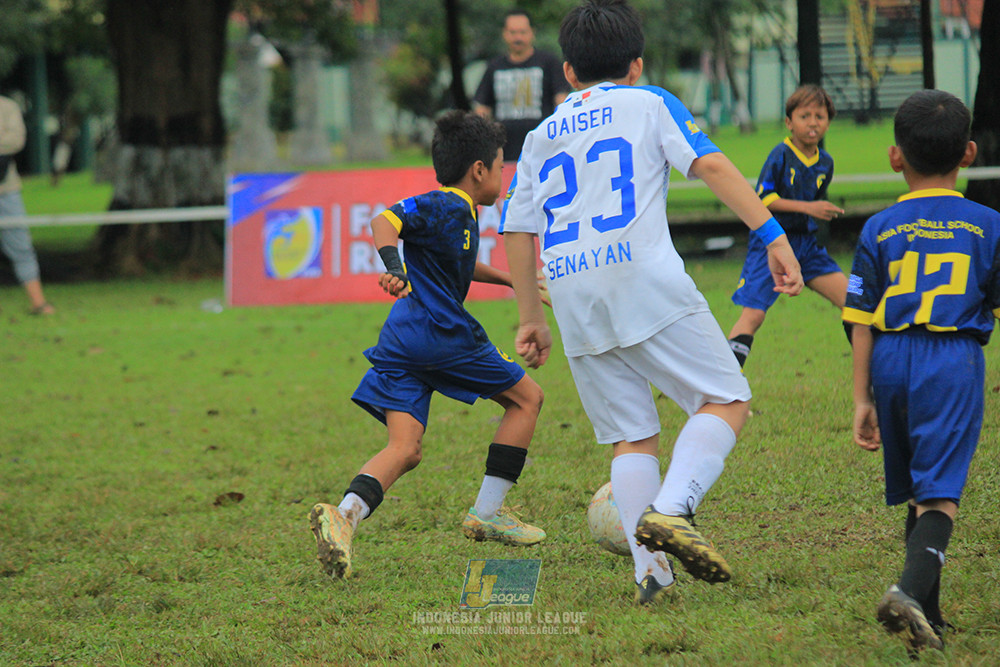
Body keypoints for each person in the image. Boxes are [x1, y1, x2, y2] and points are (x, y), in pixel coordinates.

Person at [501, 0, 803, 605]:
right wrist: (773, 234)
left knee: (632, 436)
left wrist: (531, 317)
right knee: (726, 398)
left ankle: (652, 574)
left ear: (567, 71)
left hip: (570, 291)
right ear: (636, 64)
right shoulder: (650, 102)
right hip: (641, 276)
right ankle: (673, 508)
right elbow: (710, 165)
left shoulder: (538, 135)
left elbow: (515, 227)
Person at [310, 110, 546, 579]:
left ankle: (343, 517)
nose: (503, 175)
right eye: (501, 166)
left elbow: (457, 265)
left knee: (406, 447)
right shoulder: (449, 205)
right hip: (443, 335)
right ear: (479, 169)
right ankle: (488, 512)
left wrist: (515, 281)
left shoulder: (459, 214)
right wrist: (394, 267)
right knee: (527, 399)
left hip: (403, 341)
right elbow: (384, 221)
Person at [844, 89, 999, 654]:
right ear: (970, 153)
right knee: (942, 497)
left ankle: (928, 617)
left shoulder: (879, 228)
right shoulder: (989, 225)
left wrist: (861, 398)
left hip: (889, 360)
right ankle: (907, 592)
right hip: (950, 361)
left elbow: (860, 319)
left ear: (894, 157)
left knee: (918, 490)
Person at [727, 85, 846, 367]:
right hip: (771, 243)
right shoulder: (780, 155)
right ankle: (723, 390)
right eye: (805, 116)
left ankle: (874, 386)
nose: (813, 123)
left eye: (820, 116)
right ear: (789, 122)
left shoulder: (825, 163)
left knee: (855, 299)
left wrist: (811, 213)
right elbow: (763, 199)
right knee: (753, 315)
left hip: (807, 246)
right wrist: (809, 208)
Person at [473, 8, 570, 163]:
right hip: (504, 153)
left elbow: (562, 102)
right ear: (504, 34)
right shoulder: (494, 66)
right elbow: (482, 108)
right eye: (513, 32)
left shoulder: (548, 62)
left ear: (532, 32)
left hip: (543, 150)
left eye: (522, 32)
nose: (518, 37)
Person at [0, 94, 54, 315]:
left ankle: (38, 303)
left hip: (6, 189)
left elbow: (16, 140)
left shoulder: (7, 106)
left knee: (20, 245)